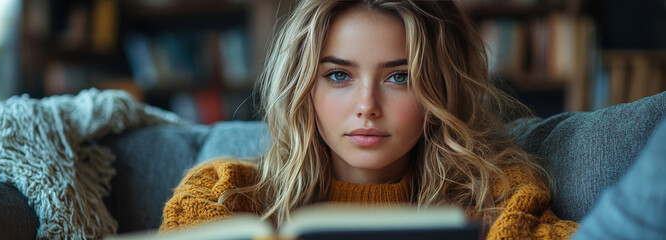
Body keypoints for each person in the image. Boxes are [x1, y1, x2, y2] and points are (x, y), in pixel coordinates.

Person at [160, 1, 578, 239]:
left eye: (399, 77)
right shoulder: (222, 194)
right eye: (339, 75)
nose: (367, 105)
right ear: (304, 86)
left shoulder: (500, 196)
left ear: (440, 91)